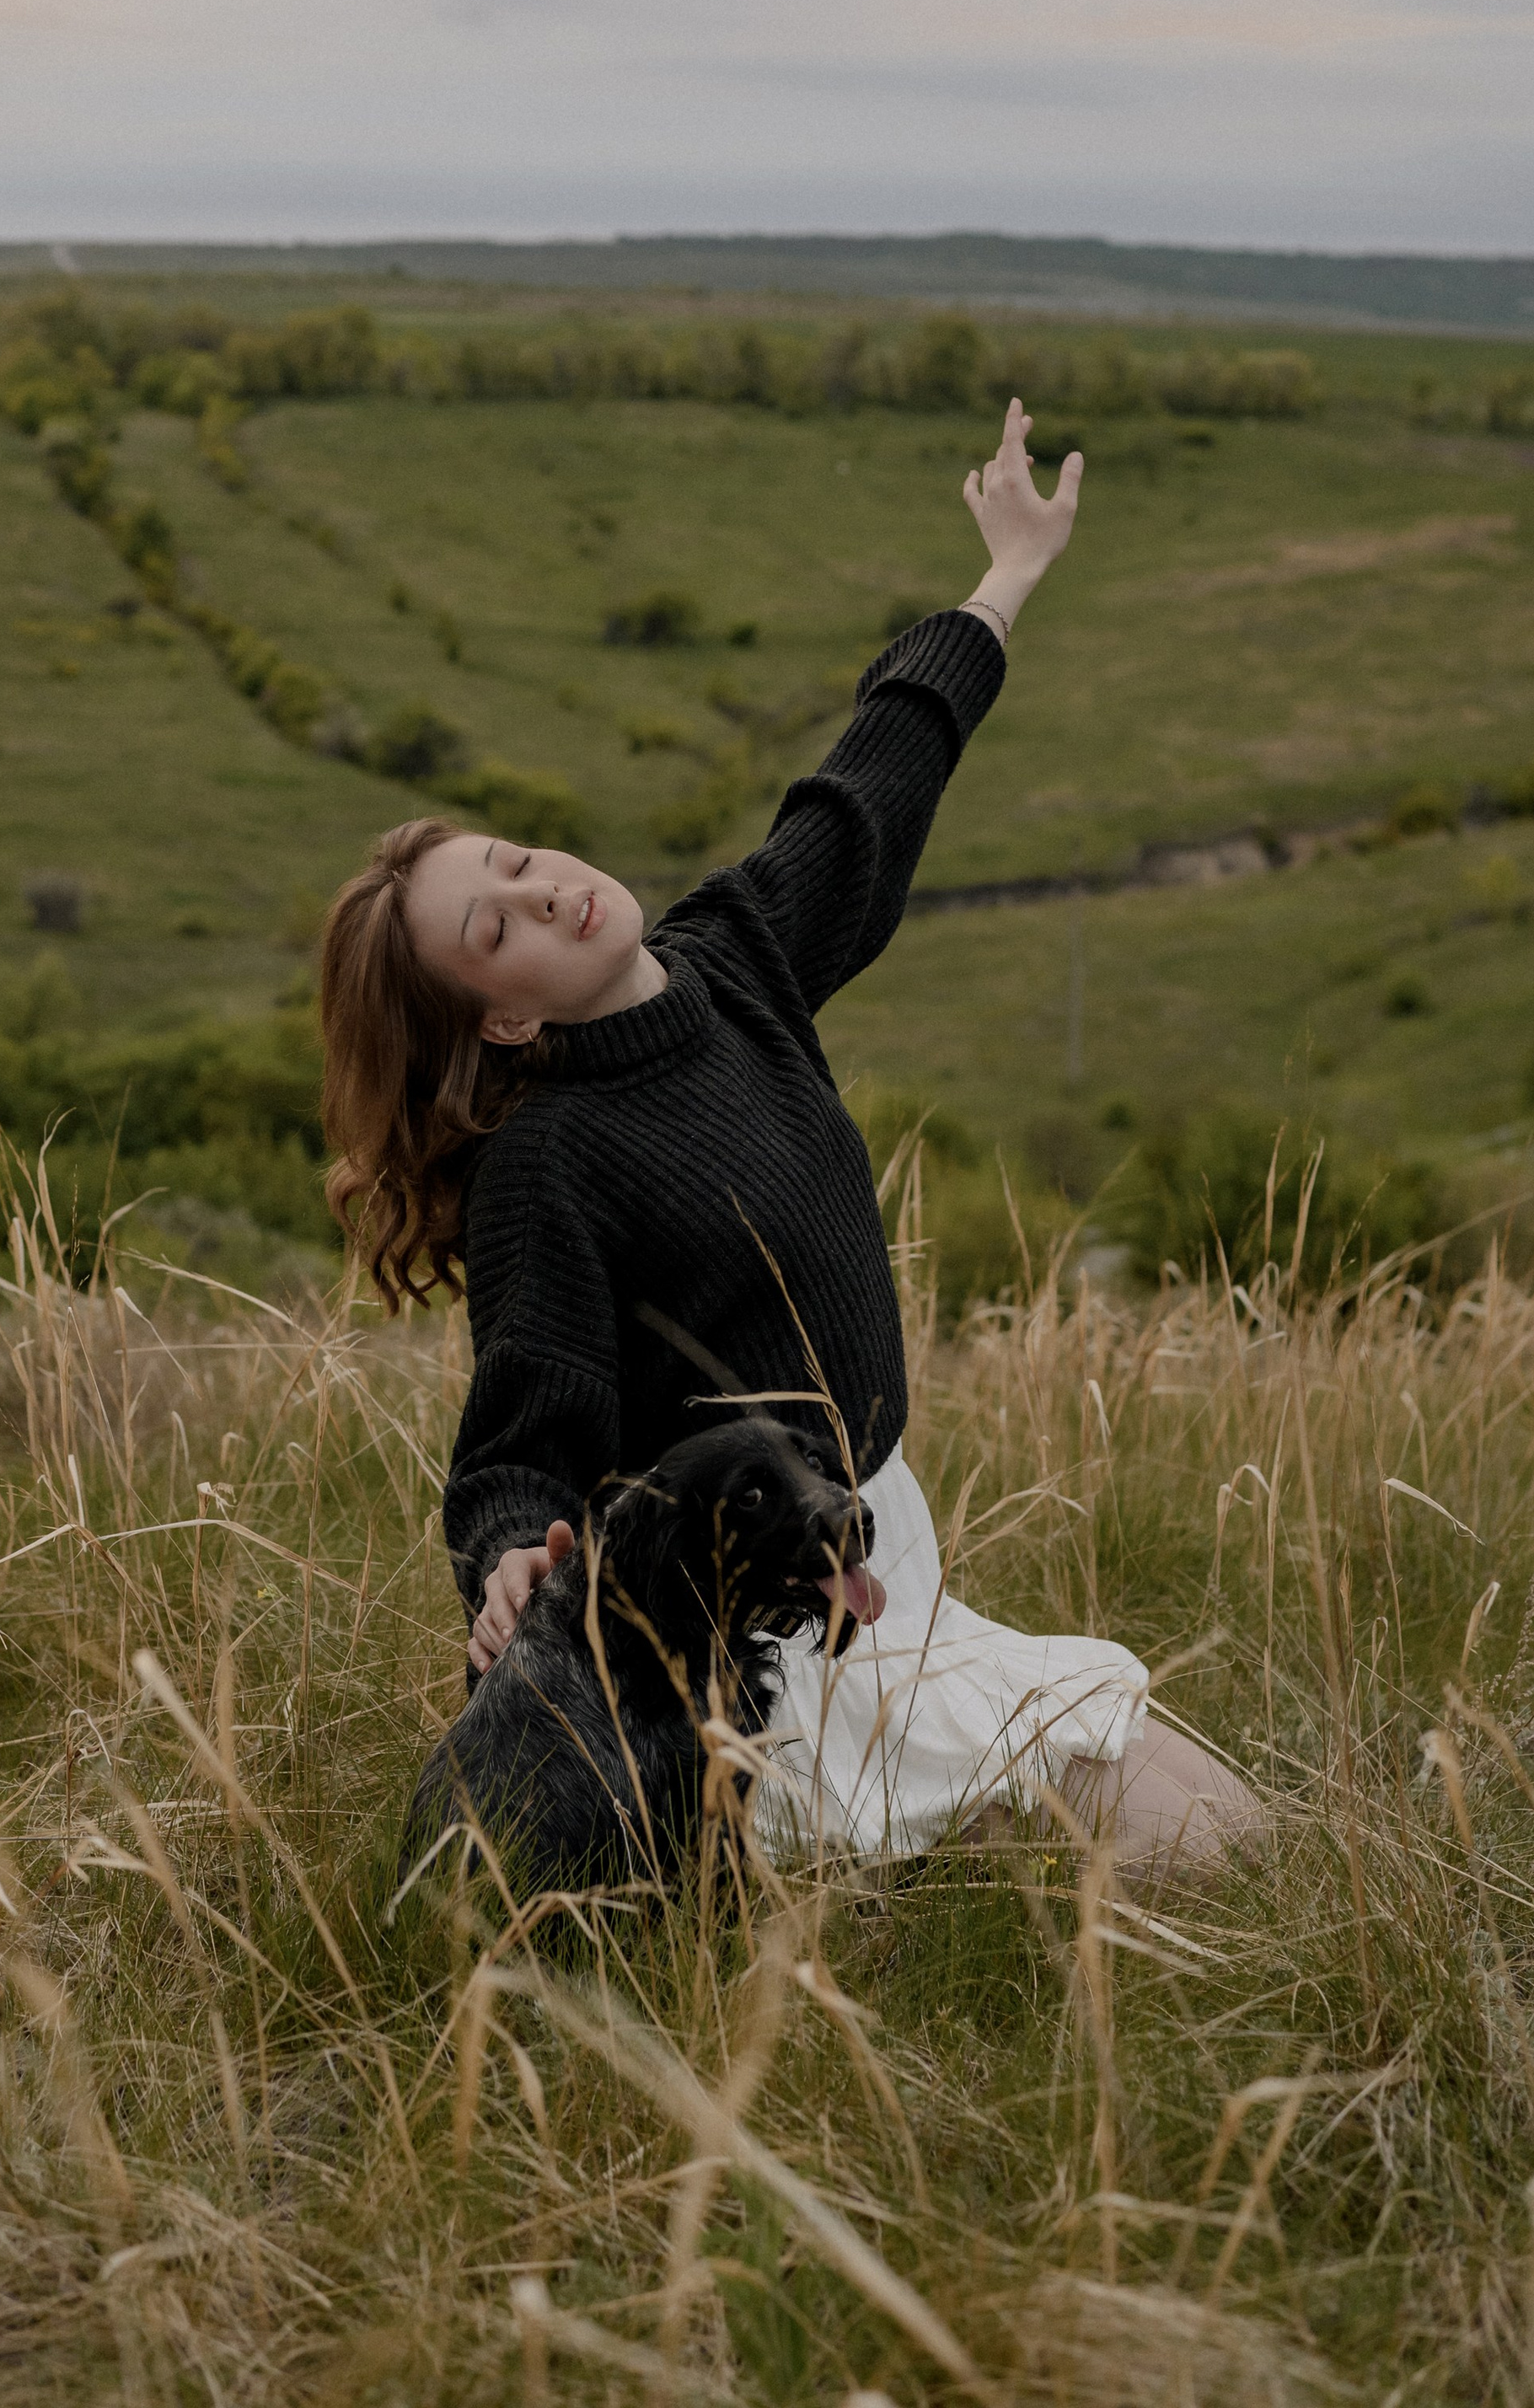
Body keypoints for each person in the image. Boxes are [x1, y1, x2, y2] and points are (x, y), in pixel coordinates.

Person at [319, 400, 1263, 1885]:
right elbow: (521, 1437)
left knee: (1250, 1847)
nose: (544, 890)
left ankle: (868, 1877)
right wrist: (509, 1559)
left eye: (512, 861)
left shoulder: (736, 957)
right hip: (759, 1659)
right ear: (497, 1021)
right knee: (1230, 1857)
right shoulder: (548, 1166)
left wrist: (1006, 577)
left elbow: (870, 784)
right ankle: (795, 1859)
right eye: (492, 927)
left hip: (895, 1573)